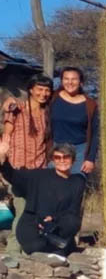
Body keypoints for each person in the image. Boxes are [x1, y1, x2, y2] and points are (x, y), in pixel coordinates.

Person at [0, 142, 84, 255]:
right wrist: (3, 158)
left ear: (73, 160)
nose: (62, 160)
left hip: (57, 227)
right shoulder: (39, 176)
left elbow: (73, 210)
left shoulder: (77, 182)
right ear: (53, 160)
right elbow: (13, 176)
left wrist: (53, 218)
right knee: (38, 245)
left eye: (66, 157)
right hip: (33, 225)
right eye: (57, 157)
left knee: (72, 222)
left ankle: (60, 249)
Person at [1, 74, 54, 256]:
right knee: (24, 211)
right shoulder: (18, 108)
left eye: (47, 90)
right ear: (31, 89)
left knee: (32, 213)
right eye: (39, 89)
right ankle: (13, 253)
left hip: (38, 170)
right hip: (17, 168)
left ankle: (25, 252)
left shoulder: (48, 113)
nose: (43, 93)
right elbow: (7, 134)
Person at [50, 67, 99, 174]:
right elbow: (33, 102)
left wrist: (90, 159)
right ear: (62, 81)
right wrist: (12, 101)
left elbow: (96, 133)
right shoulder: (53, 98)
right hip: (55, 147)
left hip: (79, 151)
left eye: (74, 79)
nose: (70, 82)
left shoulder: (90, 104)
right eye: (66, 79)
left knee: (75, 185)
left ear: (81, 82)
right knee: (51, 184)